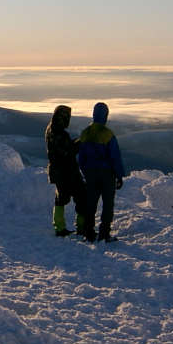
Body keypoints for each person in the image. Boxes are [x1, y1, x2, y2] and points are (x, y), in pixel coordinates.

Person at [77, 102, 126, 242]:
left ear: (93, 114)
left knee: (90, 203)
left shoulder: (85, 133)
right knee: (107, 204)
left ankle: (88, 232)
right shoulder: (108, 134)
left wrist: (85, 172)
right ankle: (104, 233)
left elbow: (81, 158)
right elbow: (115, 157)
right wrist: (119, 175)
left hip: (90, 174)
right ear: (105, 116)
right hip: (106, 174)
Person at [45, 105, 86, 236]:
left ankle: (59, 227)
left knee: (61, 198)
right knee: (81, 196)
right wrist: (81, 142)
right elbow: (68, 151)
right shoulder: (60, 133)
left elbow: (65, 148)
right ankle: (82, 227)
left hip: (57, 171)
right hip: (67, 171)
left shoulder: (51, 129)